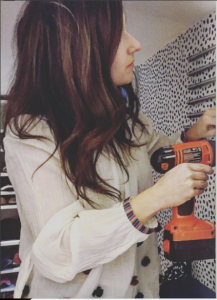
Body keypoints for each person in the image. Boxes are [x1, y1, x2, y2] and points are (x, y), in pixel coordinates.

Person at [3, 1, 216, 298]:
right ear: (76, 49)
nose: (136, 44)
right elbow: (58, 251)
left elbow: (158, 153)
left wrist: (194, 133)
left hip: (142, 289)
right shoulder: (31, 133)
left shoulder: (126, 121)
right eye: (119, 33)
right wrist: (156, 198)